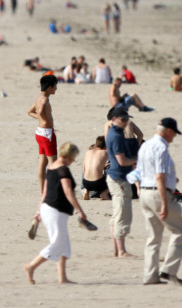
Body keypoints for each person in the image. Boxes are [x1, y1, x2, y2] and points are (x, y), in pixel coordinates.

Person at [24, 142, 91, 284]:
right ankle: (31, 266)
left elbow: (44, 191)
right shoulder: (62, 170)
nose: (74, 161)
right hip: (55, 210)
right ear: (68, 156)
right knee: (58, 243)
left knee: (64, 245)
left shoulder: (52, 167)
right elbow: (68, 192)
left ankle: (63, 278)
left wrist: (38, 211)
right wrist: (80, 211)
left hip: (48, 209)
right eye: (73, 157)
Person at [138, 117, 182, 285]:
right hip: (158, 194)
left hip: (145, 192)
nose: (174, 137)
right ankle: (168, 270)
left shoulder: (145, 145)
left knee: (153, 237)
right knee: (180, 231)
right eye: (173, 133)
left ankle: (150, 276)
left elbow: (140, 172)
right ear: (168, 131)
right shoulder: (161, 148)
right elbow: (159, 176)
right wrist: (165, 204)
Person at [105, 107, 138, 258]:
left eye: (127, 119)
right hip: (119, 178)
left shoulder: (115, 133)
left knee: (117, 215)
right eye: (123, 119)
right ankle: (121, 251)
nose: (126, 122)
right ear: (114, 119)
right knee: (122, 215)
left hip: (115, 177)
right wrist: (138, 160)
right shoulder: (116, 136)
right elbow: (122, 161)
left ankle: (117, 250)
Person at [28, 74, 59, 195]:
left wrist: (40, 119)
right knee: (53, 163)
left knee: (42, 162)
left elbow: (30, 112)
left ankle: (43, 191)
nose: (56, 88)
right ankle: (52, 190)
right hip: (46, 133)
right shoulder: (45, 99)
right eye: (55, 86)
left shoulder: (38, 98)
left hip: (39, 133)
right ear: (49, 87)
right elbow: (40, 111)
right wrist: (44, 120)